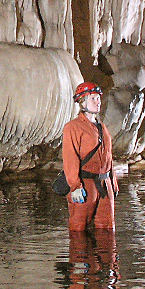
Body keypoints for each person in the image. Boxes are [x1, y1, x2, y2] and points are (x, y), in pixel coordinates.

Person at [62, 81, 115, 232]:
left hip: (104, 184)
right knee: (79, 230)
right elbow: (70, 158)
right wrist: (75, 186)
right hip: (85, 185)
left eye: (98, 98)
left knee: (107, 230)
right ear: (82, 102)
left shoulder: (102, 127)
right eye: (93, 98)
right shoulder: (73, 127)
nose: (98, 102)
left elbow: (108, 156)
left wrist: (113, 182)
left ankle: (107, 256)